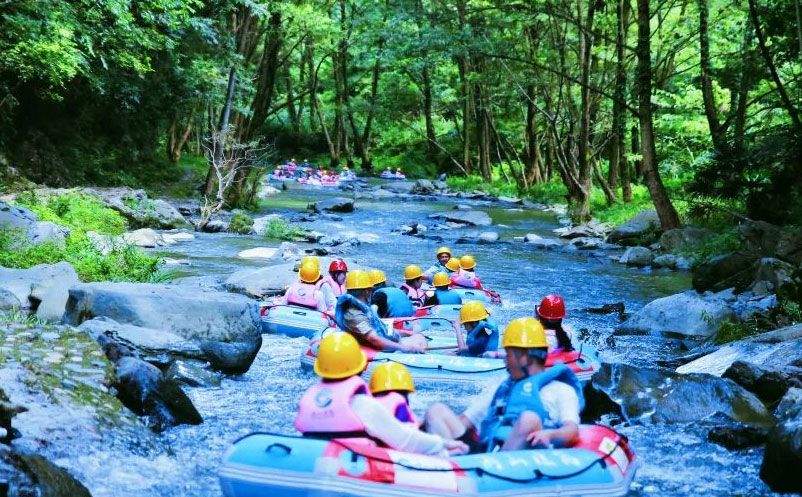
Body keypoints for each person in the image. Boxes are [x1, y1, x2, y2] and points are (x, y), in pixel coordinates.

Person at [424, 317, 582, 453]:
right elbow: (465, 421)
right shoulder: (502, 387)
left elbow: (572, 431)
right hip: (484, 454)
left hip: (516, 461)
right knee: (437, 411)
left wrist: (549, 435)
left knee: (529, 419)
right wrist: (422, 430)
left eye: (509, 355)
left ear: (525, 358)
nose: (505, 361)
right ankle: (449, 465)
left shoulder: (561, 390)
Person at [295, 332, 467, 456]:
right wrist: (444, 444)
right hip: (357, 464)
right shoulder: (361, 404)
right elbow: (406, 440)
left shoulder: (309, 399)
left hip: (315, 459)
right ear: (359, 368)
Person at [335, 270, 427, 353]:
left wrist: (407, 333)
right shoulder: (354, 316)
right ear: (367, 291)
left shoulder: (362, 309)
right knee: (419, 339)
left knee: (418, 336)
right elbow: (374, 339)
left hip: (387, 340)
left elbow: (383, 329)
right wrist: (404, 348)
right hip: (381, 348)